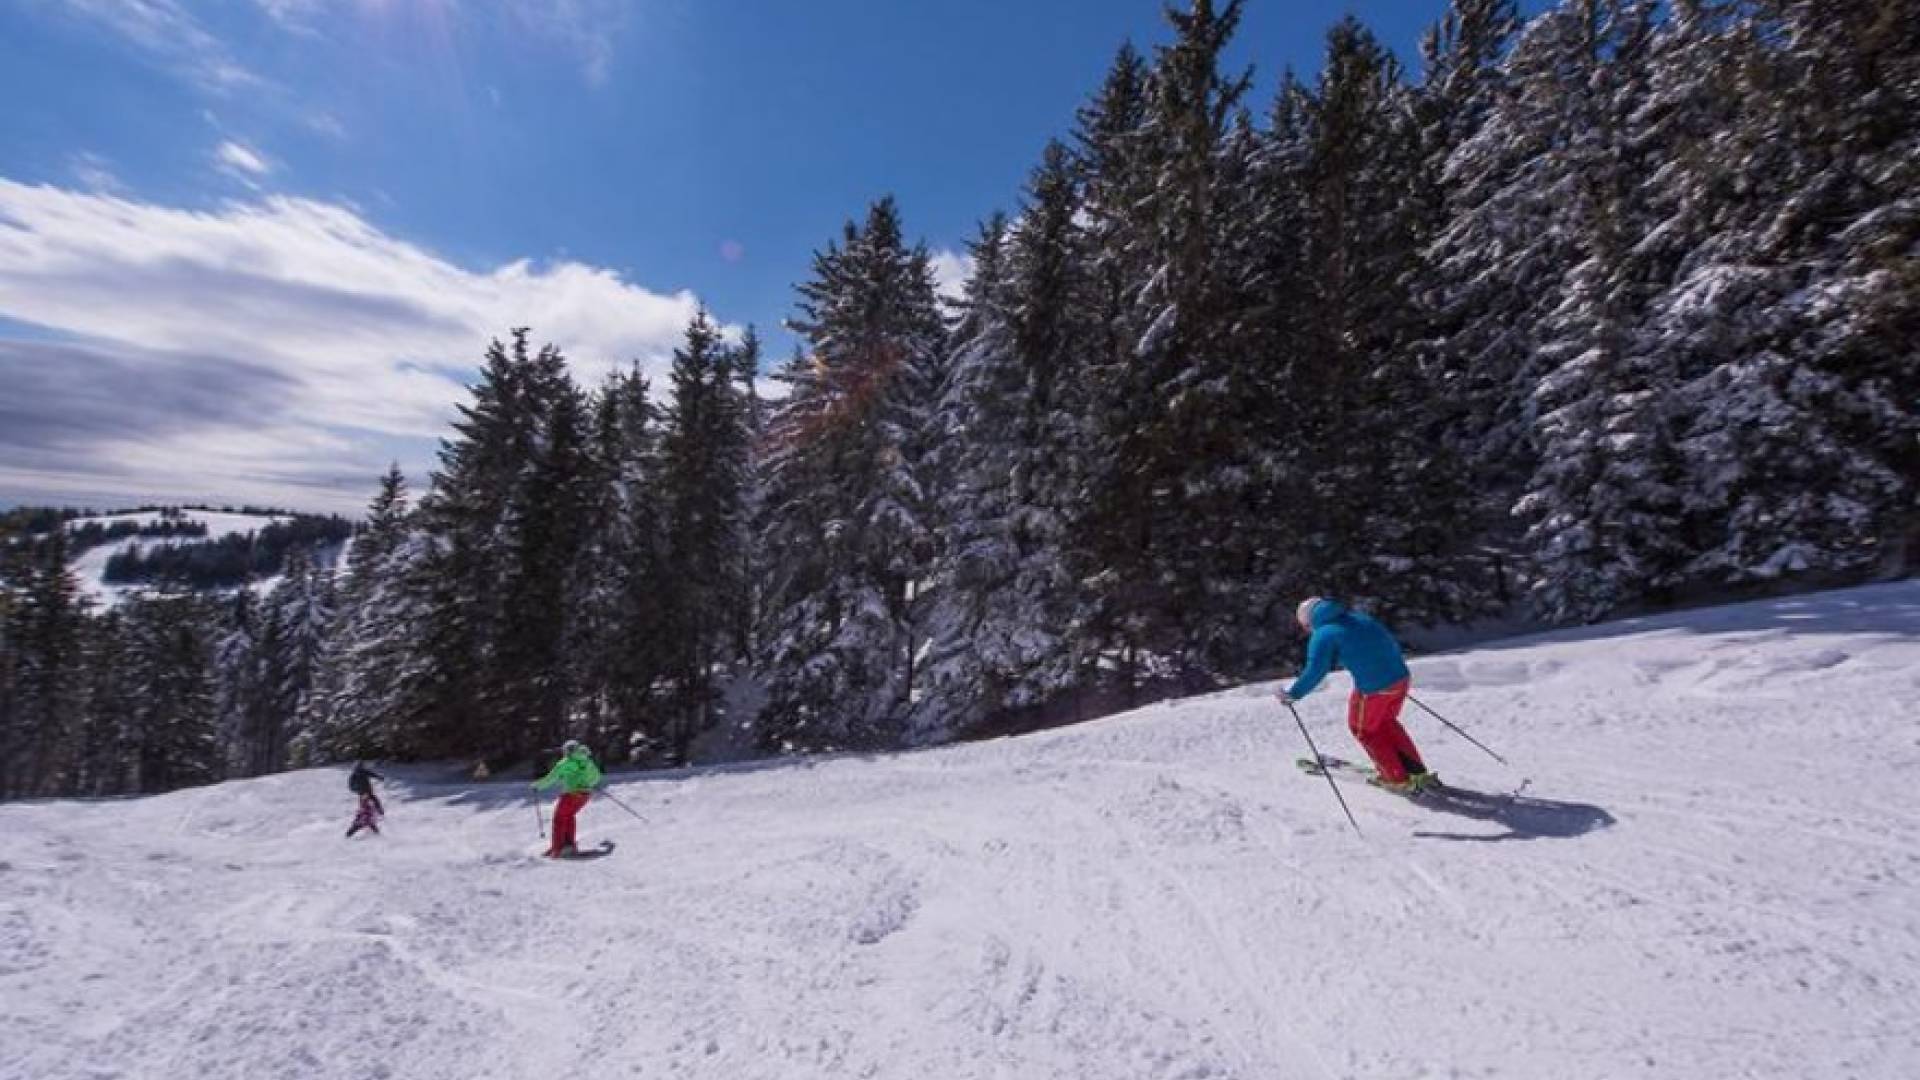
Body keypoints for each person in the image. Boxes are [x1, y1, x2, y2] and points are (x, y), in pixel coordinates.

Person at [1278, 596, 1437, 794]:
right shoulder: (1359, 618)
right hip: (1400, 678)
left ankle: (1395, 778)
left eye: (1305, 627)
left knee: (1364, 730)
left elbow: (1316, 670)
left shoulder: (1324, 634)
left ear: (1309, 621)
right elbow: (1386, 642)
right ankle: (1416, 772)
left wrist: (1293, 694)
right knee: (1385, 722)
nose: (1308, 631)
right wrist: (1389, 675)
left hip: (1373, 688)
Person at [532, 740, 602, 857]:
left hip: (571, 795)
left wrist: (537, 785)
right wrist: (587, 783)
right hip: (584, 795)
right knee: (569, 816)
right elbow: (596, 777)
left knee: (559, 819)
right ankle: (568, 845)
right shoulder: (587, 761)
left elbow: (551, 778)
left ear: (567, 751)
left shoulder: (565, 763)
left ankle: (558, 849)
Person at [346, 762, 385, 838]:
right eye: (360, 767)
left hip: (368, 792)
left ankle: (378, 812)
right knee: (365, 808)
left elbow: (372, 774)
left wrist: (379, 777)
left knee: (374, 802)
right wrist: (358, 790)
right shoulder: (354, 776)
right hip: (362, 793)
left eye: (362, 767)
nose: (361, 768)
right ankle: (359, 824)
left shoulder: (364, 772)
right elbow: (351, 787)